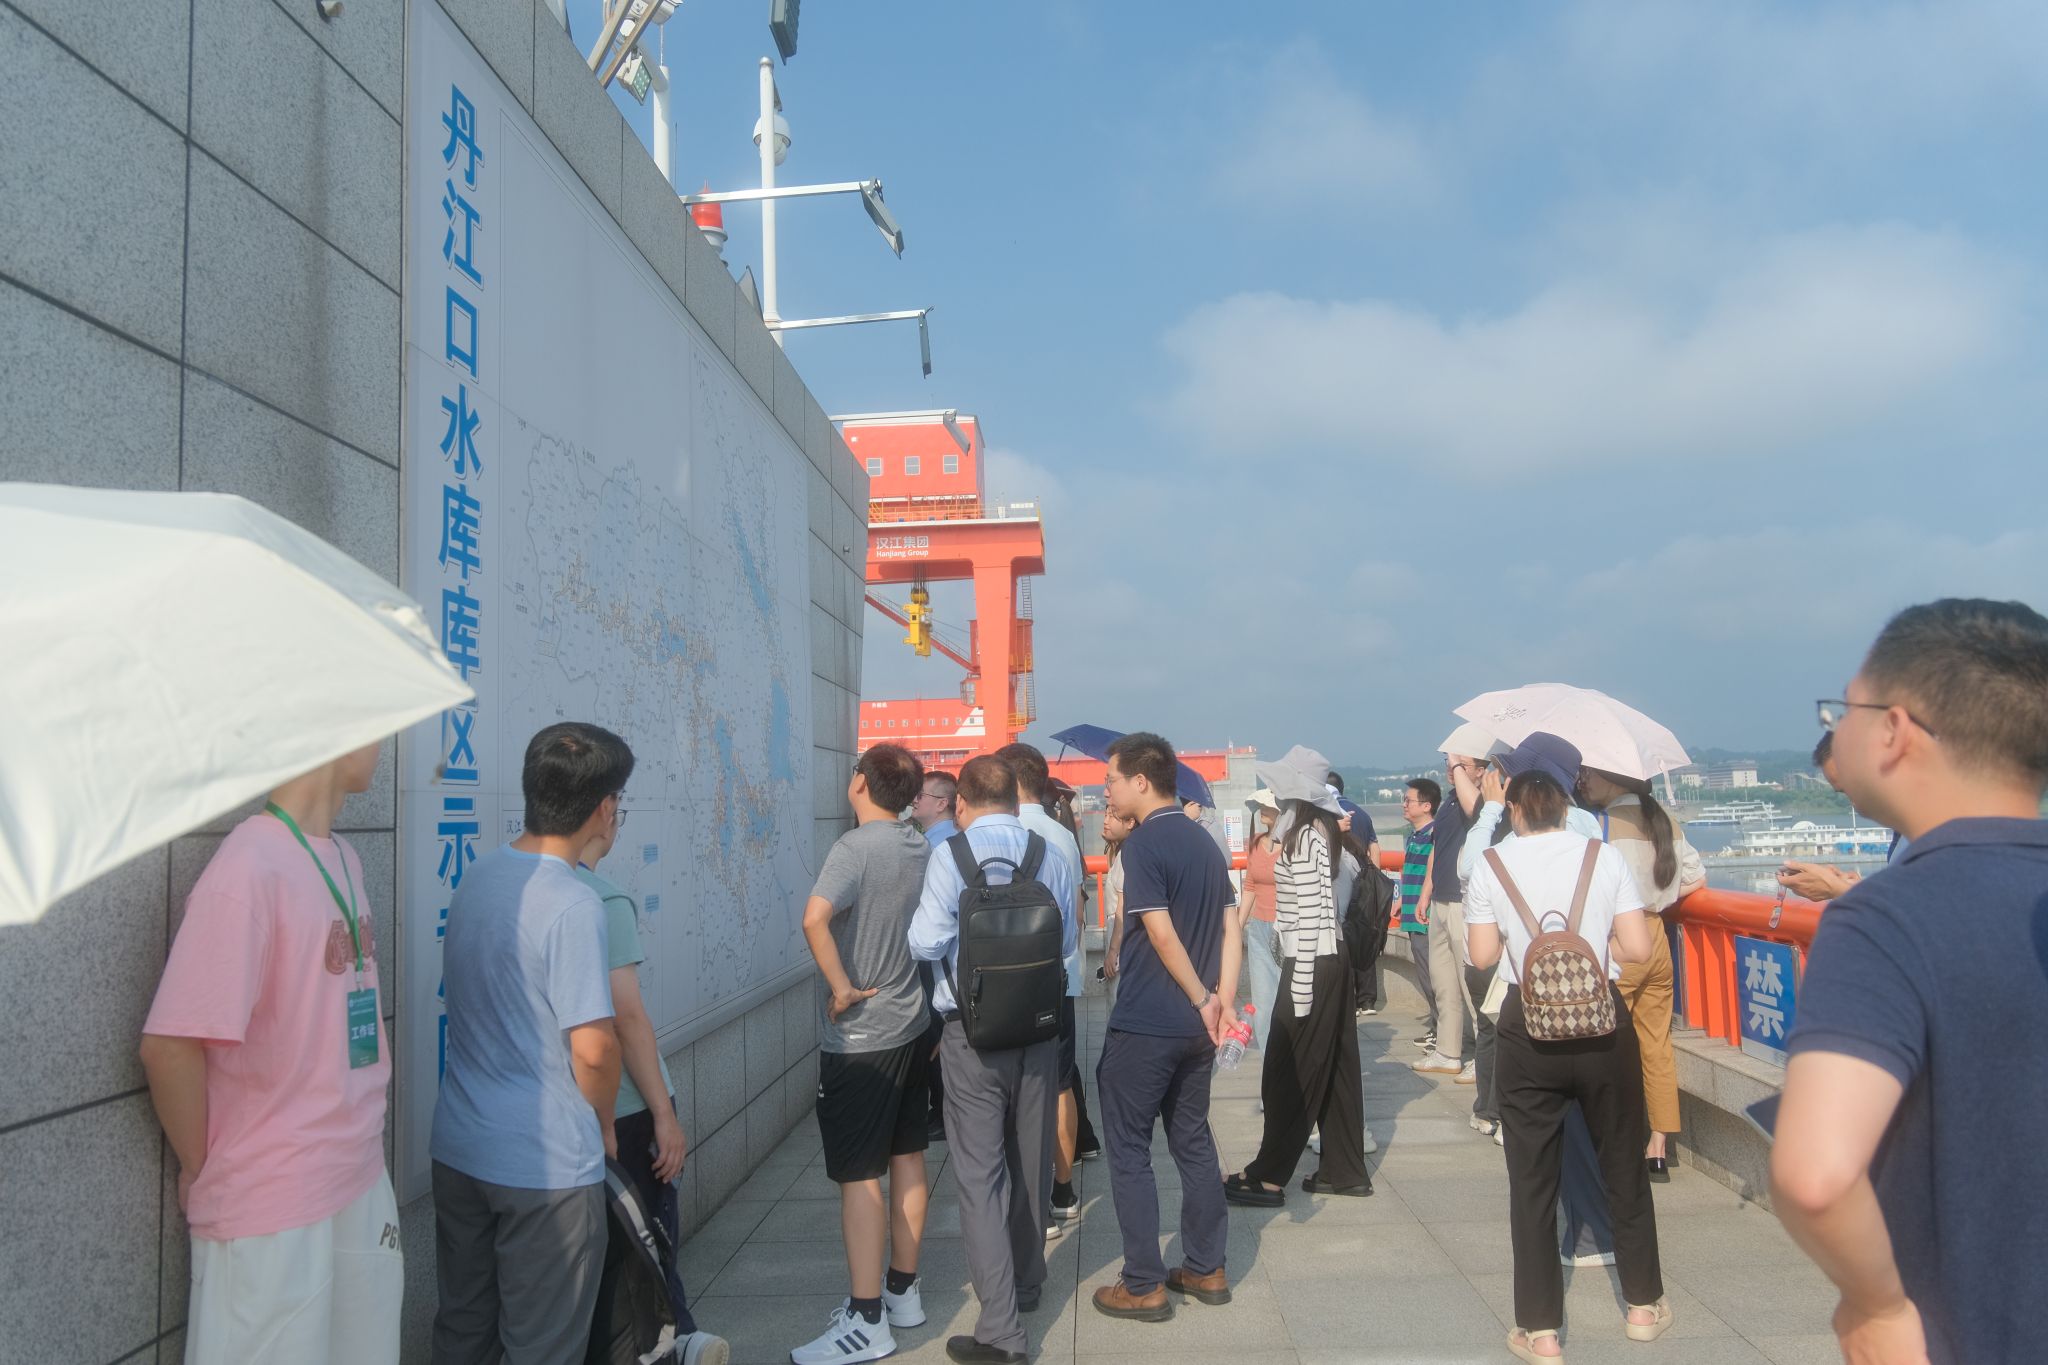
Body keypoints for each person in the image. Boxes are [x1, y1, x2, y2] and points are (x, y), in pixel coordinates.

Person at [1772, 598, 2048, 1365]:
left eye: (1845, 709)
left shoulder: (1883, 917)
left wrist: (1877, 1305)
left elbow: (1816, 1175)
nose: (1837, 727)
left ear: (1894, 730)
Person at [140, 743, 402, 1365]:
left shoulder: (344, 857)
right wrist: (202, 1167)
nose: (383, 745)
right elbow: (169, 1045)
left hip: (358, 1172)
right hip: (273, 1203)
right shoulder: (248, 865)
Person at [432, 723, 631, 1365]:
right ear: (603, 808)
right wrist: (605, 1123)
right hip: (545, 1170)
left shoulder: (479, 876)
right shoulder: (574, 903)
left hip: (461, 1148)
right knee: (542, 1347)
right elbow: (594, 1049)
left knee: (464, 1333)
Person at [1463, 768, 1670, 1361]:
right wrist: (1595, 950)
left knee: (1531, 1180)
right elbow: (1637, 948)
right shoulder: (1602, 857)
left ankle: (1541, 1330)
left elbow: (1482, 955)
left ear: (1515, 812)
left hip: (1526, 1031)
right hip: (1602, 1025)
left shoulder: (1493, 864)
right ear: (1562, 808)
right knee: (1623, 1163)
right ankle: (1642, 1306)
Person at [908, 756, 1077, 1365]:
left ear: (960, 802)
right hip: (1038, 1031)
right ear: (1013, 797)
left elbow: (926, 941)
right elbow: (1065, 943)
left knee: (980, 1178)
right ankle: (1027, 1280)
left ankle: (1001, 1329)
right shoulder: (1048, 853)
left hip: (970, 1037)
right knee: (1030, 1162)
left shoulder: (949, 856)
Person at [793, 743, 936, 1365]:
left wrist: (842, 988)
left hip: (861, 1036)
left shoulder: (854, 847)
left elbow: (814, 919)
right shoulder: (918, 844)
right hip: (912, 1022)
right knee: (907, 1156)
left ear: (859, 784)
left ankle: (866, 1316)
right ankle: (902, 1290)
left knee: (859, 1174)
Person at [1093, 732, 1240, 1321]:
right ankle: (1206, 1266)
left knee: (1130, 1149)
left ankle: (1143, 1283)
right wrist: (1223, 1000)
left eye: (1110, 780)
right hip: (1196, 1030)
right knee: (1193, 1141)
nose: (1105, 790)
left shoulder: (1144, 845)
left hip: (1148, 1021)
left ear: (1140, 781)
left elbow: (1157, 931)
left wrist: (1205, 997)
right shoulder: (1204, 842)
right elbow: (1231, 926)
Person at [577, 814, 726, 1365]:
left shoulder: (511, 885)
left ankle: (680, 1334)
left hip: (562, 1111)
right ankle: (672, 1342)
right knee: (647, 1244)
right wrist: (664, 1115)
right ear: (602, 813)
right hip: (624, 1109)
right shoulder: (602, 900)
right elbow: (626, 1020)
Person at [1225, 746, 1371, 1208]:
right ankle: (1343, 1169)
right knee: (1338, 1069)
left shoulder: (1305, 834)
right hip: (1330, 958)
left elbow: (1309, 917)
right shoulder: (1317, 829)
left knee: (1288, 1067)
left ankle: (1269, 1175)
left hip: (1312, 961)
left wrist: (1301, 989)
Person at [1577, 765, 1704, 1184]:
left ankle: (1618, 1140)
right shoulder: (1664, 819)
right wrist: (1660, 900)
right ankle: (1659, 1146)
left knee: (1608, 1046)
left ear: (1615, 779)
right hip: (1657, 940)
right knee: (1656, 1045)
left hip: (1620, 941)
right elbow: (1696, 876)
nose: (1583, 782)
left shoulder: (1600, 824)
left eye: (1589, 775)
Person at [993, 743, 1088, 1233]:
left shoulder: (988, 834)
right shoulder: (1062, 835)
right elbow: (1075, 913)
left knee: (1008, 1092)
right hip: (1057, 980)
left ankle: (1021, 1195)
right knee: (1059, 1084)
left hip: (998, 988)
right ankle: (1063, 1189)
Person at [1414, 723, 1499, 1080]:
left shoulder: (1480, 802)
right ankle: (1448, 1051)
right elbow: (1438, 847)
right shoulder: (1449, 802)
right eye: (1451, 765)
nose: (1452, 770)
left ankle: (1484, 1055)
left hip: (1466, 902)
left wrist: (1460, 767)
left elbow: (1475, 810)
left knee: (1470, 983)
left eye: (1463, 765)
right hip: (1441, 899)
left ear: (1481, 771)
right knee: (1443, 981)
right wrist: (1426, 891)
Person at [1238, 791, 1283, 1053]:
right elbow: (1250, 886)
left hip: (1287, 929)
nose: (1263, 809)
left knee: (1287, 1002)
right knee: (1263, 1005)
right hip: (1258, 929)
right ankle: (1269, 1067)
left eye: (1268, 805)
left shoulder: (1293, 844)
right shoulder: (1255, 842)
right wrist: (1237, 926)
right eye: (1261, 806)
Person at [1395, 780, 1439, 1038]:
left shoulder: (1435, 834)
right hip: (1413, 913)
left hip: (1426, 917)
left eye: (1408, 800)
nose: (1404, 804)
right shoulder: (1414, 836)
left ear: (1426, 806)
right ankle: (1438, 1027)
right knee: (1425, 974)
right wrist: (1403, 900)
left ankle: (1441, 1030)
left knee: (1433, 976)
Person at [911, 769, 959, 847]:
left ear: (941, 804)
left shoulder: (931, 846)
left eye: (920, 795)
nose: (914, 800)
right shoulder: (959, 836)